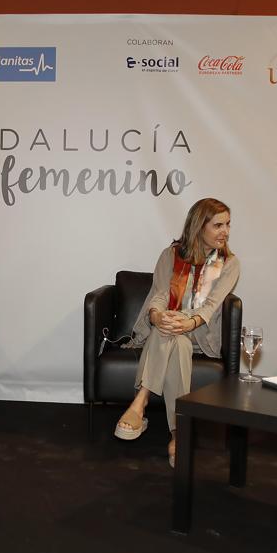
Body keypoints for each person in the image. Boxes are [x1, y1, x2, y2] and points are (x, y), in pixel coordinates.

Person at [113, 198, 241, 467]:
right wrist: (158, 316)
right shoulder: (170, 255)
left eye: (228, 224)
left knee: (174, 332)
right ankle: (179, 434)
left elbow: (210, 306)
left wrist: (188, 322)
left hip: (201, 334)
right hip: (172, 331)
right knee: (176, 340)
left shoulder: (229, 263)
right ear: (199, 226)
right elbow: (159, 295)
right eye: (218, 225)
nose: (225, 231)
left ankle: (140, 402)